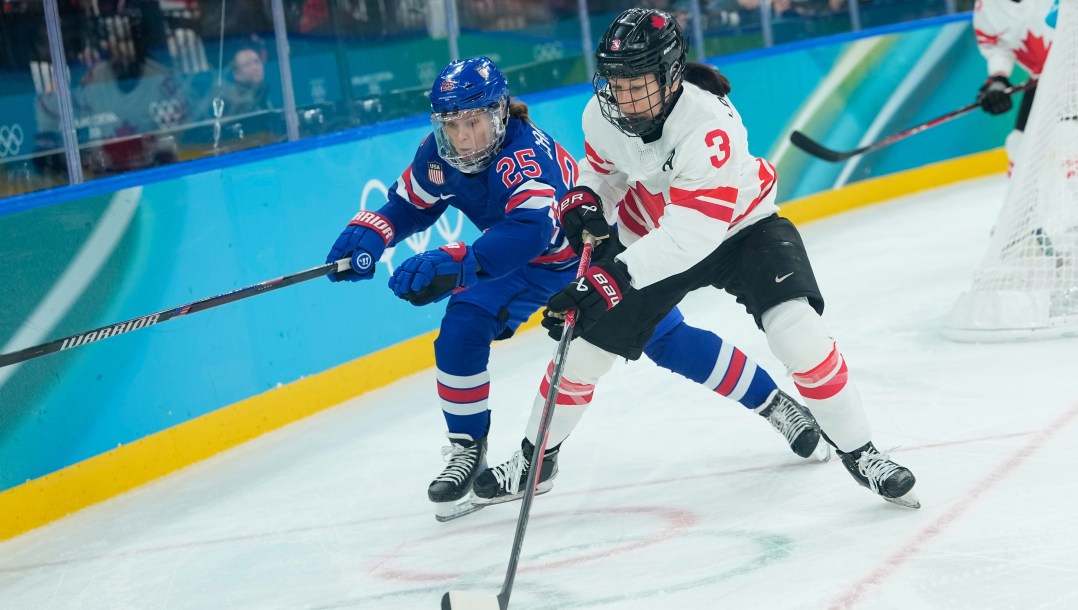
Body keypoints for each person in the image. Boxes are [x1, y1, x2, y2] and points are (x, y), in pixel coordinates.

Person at [325, 56, 826, 521]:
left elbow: (529, 232)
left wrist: (460, 264)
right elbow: (411, 203)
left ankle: (774, 403)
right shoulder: (438, 154)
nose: (465, 138)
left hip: (580, 260)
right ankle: (467, 450)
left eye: (474, 121)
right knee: (460, 328)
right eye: (453, 125)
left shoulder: (524, 158)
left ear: (499, 115)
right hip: (510, 267)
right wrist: (370, 232)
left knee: (669, 341)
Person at [474, 9, 919, 509]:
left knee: (797, 331)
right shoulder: (601, 115)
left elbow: (692, 236)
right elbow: (603, 171)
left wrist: (612, 278)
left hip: (741, 229)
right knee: (582, 352)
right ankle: (539, 461)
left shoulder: (708, 126)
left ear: (669, 75)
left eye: (637, 83)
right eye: (616, 83)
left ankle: (863, 454)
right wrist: (584, 198)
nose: (624, 97)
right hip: (652, 234)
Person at [973, 0, 1058, 174]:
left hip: (1070, 75)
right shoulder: (987, 7)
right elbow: (997, 47)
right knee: (1019, 146)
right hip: (1045, 81)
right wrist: (998, 79)